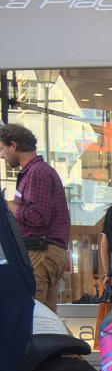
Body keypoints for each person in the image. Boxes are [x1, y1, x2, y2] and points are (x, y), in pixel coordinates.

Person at [0, 123, 70, 310]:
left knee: (34, 314)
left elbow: (38, 217)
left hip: (40, 251)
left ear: (13, 145)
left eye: (1, 148)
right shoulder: (39, 171)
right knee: (46, 316)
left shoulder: (36, 173)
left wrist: (10, 206)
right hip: (47, 251)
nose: (1, 155)